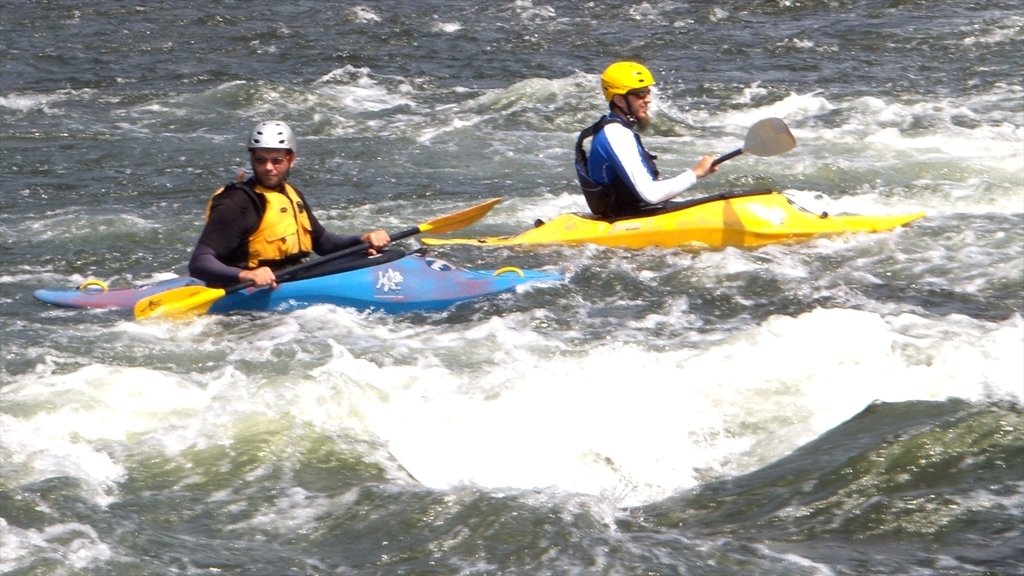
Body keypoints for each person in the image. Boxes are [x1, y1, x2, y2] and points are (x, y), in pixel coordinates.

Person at [188, 120, 390, 288]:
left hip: (291, 279)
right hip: (248, 290)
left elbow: (323, 243)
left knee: (372, 256)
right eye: (260, 160)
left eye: (276, 161)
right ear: (252, 158)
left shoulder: (292, 194)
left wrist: (362, 240)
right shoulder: (237, 202)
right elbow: (200, 262)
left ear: (291, 159)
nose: (268, 168)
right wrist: (246, 276)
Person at [575, 61, 718, 218]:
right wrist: (695, 173)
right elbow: (650, 194)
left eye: (648, 92)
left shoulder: (621, 130)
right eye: (640, 94)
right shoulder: (615, 134)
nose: (648, 99)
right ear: (619, 100)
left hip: (638, 211)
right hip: (624, 220)